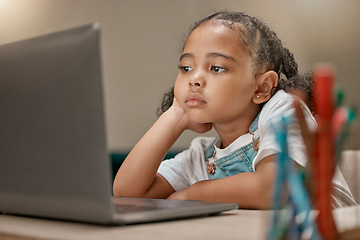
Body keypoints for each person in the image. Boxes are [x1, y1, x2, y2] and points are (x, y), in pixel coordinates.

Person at [113, 11, 355, 209]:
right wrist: (176, 115)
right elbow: (127, 195)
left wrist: (191, 194)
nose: (194, 79)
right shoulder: (201, 157)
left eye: (216, 68)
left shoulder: (283, 110)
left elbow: (271, 188)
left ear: (261, 87)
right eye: (186, 67)